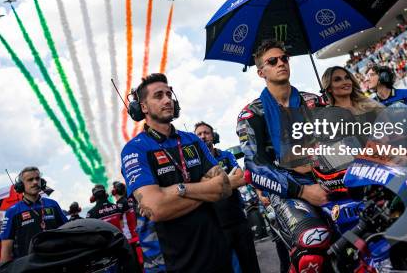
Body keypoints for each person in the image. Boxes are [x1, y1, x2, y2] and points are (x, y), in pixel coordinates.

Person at [121, 73, 232, 273]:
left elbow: (224, 187)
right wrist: (206, 191)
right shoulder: (135, 149)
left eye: (169, 94)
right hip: (174, 262)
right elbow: (155, 208)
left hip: (217, 252)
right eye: (158, 96)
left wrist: (179, 189)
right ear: (143, 107)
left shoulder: (192, 139)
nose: (167, 100)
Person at [237, 39, 333, 273]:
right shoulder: (251, 114)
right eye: (272, 61)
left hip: (331, 179)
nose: (281, 63)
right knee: (313, 242)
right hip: (289, 190)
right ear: (261, 72)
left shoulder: (314, 101)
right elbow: (255, 167)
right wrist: (302, 191)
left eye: (284, 58)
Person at [195, 121, 260, 273]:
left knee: (251, 265)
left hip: (238, 220)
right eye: (199, 134)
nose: (203, 136)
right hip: (215, 226)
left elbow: (241, 178)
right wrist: (224, 182)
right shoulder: (195, 163)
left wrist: (210, 187)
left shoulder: (226, 155)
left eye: (206, 133)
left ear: (213, 136)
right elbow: (198, 190)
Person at [0, 166, 67, 262]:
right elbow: (6, 250)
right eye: (30, 180)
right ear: (21, 185)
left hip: (55, 263)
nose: (35, 182)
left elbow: (67, 231)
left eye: (37, 178)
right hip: (28, 267)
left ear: (42, 182)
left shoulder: (53, 204)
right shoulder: (12, 212)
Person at [111, 181, 142, 267]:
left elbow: (120, 222)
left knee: (132, 261)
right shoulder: (128, 200)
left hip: (128, 236)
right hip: (134, 233)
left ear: (115, 192)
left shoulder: (120, 203)